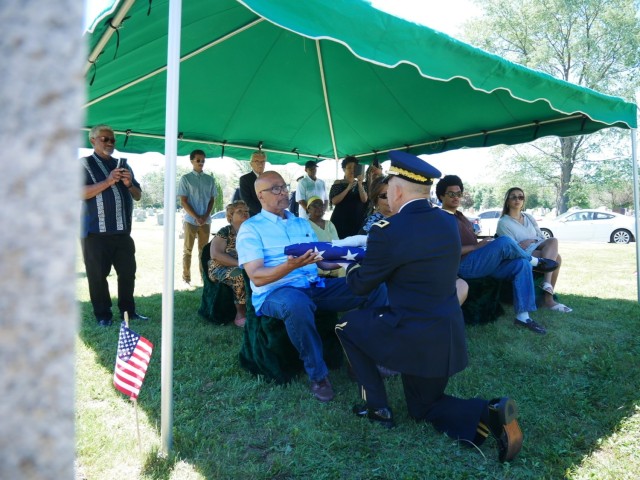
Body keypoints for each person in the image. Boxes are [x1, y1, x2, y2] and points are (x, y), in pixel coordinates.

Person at [335, 151, 523, 463]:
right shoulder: (447, 223)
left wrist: (347, 266)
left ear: (396, 191)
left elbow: (360, 287)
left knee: (346, 326)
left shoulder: (387, 231)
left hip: (410, 335)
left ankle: (377, 407)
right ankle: (488, 412)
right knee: (424, 407)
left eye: (388, 191)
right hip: (445, 334)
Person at [236, 171, 386, 403]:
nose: (284, 191)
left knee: (373, 287)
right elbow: (257, 277)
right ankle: (318, 375)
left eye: (284, 186)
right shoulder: (251, 228)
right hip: (275, 292)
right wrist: (290, 266)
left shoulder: (300, 223)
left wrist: (354, 253)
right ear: (260, 196)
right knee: (297, 303)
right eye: (275, 189)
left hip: (313, 284)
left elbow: (322, 258)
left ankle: (361, 357)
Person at [437, 175, 560, 334]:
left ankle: (523, 316)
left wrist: (484, 244)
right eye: (451, 194)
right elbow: (444, 251)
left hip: (481, 261)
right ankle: (534, 261)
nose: (456, 197)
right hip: (463, 266)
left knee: (520, 264)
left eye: (459, 193)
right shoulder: (440, 219)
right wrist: (476, 246)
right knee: (504, 241)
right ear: (441, 196)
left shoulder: (460, 216)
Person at [80, 124, 148, 327]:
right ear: (93, 140)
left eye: (112, 140)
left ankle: (129, 311)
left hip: (122, 232)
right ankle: (103, 315)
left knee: (127, 273)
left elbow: (138, 196)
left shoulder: (123, 165)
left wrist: (129, 184)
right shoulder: (83, 164)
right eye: (105, 139)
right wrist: (109, 181)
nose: (110, 143)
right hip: (95, 233)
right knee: (98, 277)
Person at [496, 187, 572, 313]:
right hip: (519, 254)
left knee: (553, 240)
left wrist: (530, 241)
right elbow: (511, 247)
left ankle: (546, 285)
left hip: (535, 247)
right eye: (513, 197)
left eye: (520, 197)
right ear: (507, 201)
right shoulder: (504, 222)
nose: (517, 199)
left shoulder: (529, 217)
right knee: (556, 258)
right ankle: (548, 299)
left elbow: (541, 237)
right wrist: (528, 242)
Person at [177, 149, 217, 285]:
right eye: (198, 160)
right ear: (192, 161)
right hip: (190, 220)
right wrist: (196, 217)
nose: (201, 163)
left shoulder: (210, 179)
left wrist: (205, 216)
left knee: (204, 251)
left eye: (203, 160)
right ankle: (186, 278)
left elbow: (212, 200)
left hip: (206, 221)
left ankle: (204, 278)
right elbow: (183, 201)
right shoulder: (185, 179)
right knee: (187, 250)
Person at [208, 200, 250, 328]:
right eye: (240, 211)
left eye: (247, 211)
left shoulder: (252, 231)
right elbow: (216, 254)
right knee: (240, 275)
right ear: (230, 216)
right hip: (220, 267)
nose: (245, 214)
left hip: (245, 265)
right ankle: (240, 314)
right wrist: (240, 264)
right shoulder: (225, 231)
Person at [329, 156, 368, 238]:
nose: (352, 170)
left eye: (354, 167)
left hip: (357, 220)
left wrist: (360, 184)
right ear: (344, 169)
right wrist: (348, 188)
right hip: (341, 220)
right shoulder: (338, 183)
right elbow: (334, 201)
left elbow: (364, 199)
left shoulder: (361, 184)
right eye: (349, 168)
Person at [305, 196, 343, 278]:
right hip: (316, 263)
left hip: (333, 261)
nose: (319, 208)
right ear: (308, 209)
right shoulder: (305, 226)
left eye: (321, 205)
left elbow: (337, 244)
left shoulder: (329, 224)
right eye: (315, 205)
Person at [239, 151, 267, 216]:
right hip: (254, 217)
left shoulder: (269, 178)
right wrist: (264, 212)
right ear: (251, 164)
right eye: (257, 161)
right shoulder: (245, 179)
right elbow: (247, 200)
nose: (260, 164)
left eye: (263, 161)